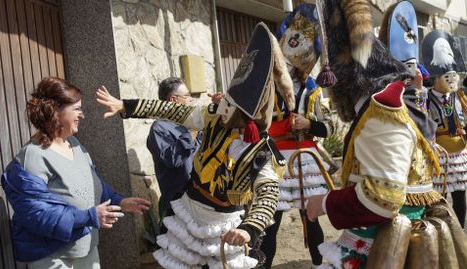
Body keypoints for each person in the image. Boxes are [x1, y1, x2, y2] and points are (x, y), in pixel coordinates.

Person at [96, 22, 295, 269]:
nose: (222, 110)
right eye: (225, 105)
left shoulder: (261, 150)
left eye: (230, 109)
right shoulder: (212, 113)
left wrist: (249, 229)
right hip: (189, 210)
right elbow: (170, 109)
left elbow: (268, 194)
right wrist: (126, 106)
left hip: (225, 222)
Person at [301, 0, 449, 267]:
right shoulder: (401, 102)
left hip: (382, 249)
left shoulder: (382, 111)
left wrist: (324, 203)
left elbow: (383, 199)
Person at [1, 77, 150, 269]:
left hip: (87, 250)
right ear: (55, 111)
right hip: (52, 257)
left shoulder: (75, 144)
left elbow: (91, 184)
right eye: (77, 109)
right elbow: (37, 214)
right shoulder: (34, 155)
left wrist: (118, 201)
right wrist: (90, 217)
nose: (82, 115)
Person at [260, 4, 333, 269]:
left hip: (305, 159)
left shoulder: (312, 90)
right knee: (271, 221)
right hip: (276, 160)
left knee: (310, 217)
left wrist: (309, 123)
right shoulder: (266, 87)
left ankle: (318, 265)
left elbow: (328, 129)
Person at [422, 29, 467, 227]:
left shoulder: (460, 96)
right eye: (447, 76)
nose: (451, 80)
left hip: (459, 152)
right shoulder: (426, 98)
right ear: (437, 77)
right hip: (438, 153)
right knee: (438, 197)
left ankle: (459, 233)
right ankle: (440, 233)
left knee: (460, 198)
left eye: (453, 76)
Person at [147, 77, 200, 217]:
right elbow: (172, 159)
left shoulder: (188, 124)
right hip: (178, 205)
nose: (190, 100)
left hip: (201, 201)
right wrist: (192, 133)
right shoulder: (159, 128)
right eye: (187, 96)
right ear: (173, 100)